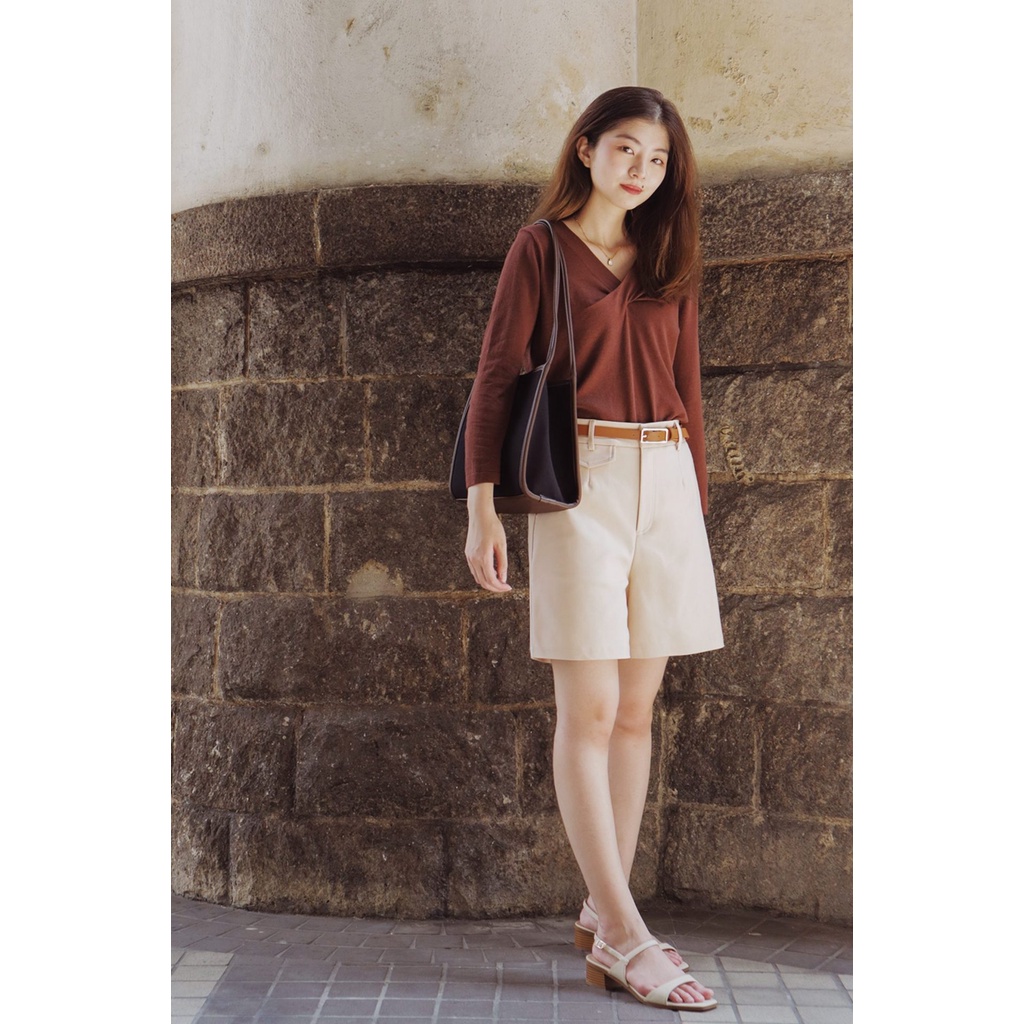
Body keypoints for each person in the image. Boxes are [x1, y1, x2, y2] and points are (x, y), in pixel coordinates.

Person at [462, 86, 723, 1012]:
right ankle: (625, 933)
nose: (641, 170)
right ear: (586, 149)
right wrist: (482, 511)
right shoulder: (541, 248)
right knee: (592, 707)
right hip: (581, 481)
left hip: (668, 477)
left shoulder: (667, 252)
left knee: (638, 710)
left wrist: (695, 502)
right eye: (625, 150)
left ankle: (601, 909)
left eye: (657, 159)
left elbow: (689, 385)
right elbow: (497, 375)